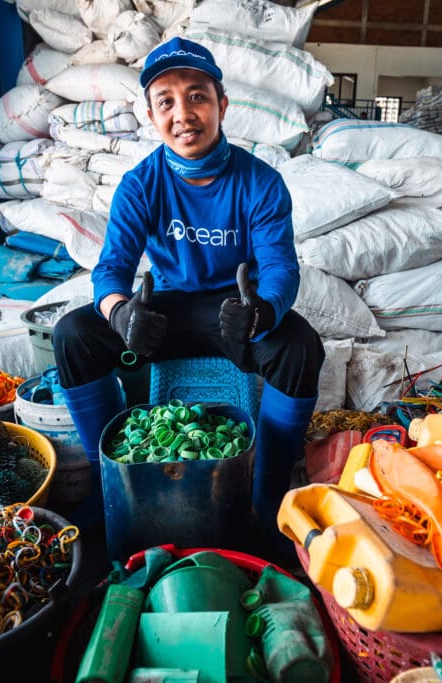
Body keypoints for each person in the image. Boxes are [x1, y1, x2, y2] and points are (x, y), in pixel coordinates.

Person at [52, 36, 324, 546]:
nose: (184, 114)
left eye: (197, 96)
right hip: (165, 320)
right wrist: (120, 315)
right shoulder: (140, 184)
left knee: (300, 345)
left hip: (236, 320)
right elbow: (110, 269)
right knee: (71, 334)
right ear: (153, 116)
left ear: (222, 104)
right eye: (167, 102)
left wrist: (262, 313)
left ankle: (268, 505)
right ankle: (110, 484)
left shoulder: (261, 182)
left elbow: (282, 268)